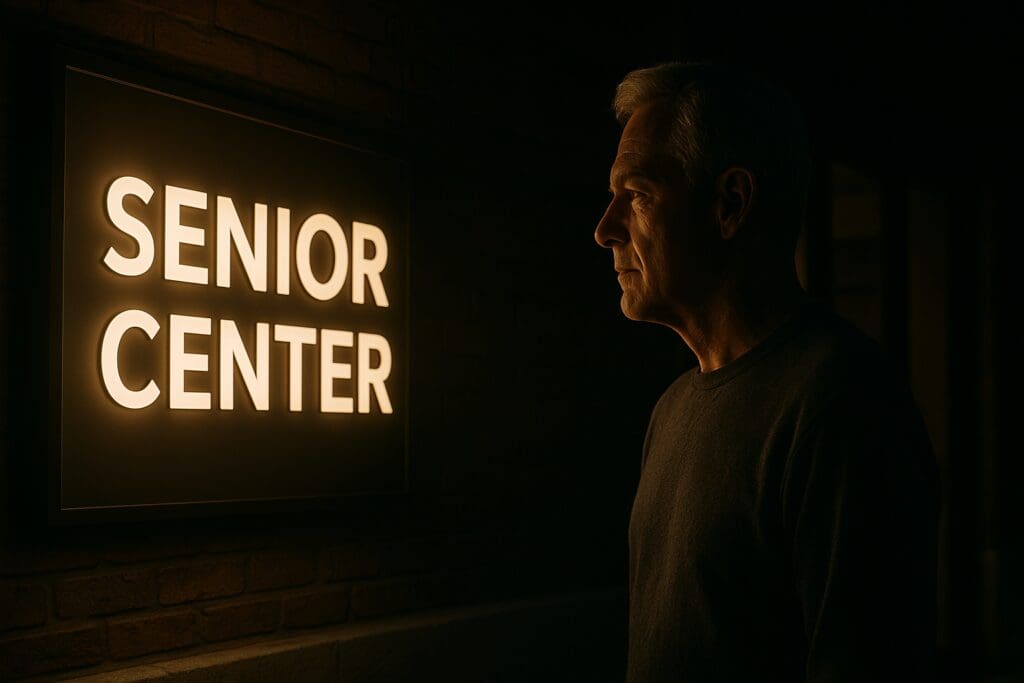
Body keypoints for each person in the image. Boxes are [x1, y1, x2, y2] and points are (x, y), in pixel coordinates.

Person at [594, 62, 939, 682]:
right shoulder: (671, 411)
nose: (606, 229)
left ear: (730, 203)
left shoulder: (843, 405)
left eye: (638, 195)